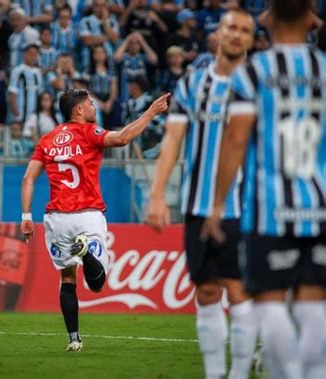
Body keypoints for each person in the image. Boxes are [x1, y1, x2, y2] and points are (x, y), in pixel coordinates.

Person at [202, 1, 326, 378]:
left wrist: (217, 204)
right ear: (311, 19)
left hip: (269, 212)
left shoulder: (253, 73)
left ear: (265, 20)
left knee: (270, 305)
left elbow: (235, 140)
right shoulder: (324, 69)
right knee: (313, 307)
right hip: (319, 209)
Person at [146, 9, 257, 379]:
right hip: (197, 204)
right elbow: (173, 140)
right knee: (207, 292)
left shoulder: (259, 83)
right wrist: (157, 194)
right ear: (219, 34)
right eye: (232, 28)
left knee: (239, 291)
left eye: (245, 30)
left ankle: (239, 375)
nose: (238, 35)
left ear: (251, 39)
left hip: (245, 207)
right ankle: (215, 375)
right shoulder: (193, 84)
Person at [20, 89, 169, 352]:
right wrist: (151, 112)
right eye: (90, 104)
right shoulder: (90, 132)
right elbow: (123, 138)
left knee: (67, 278)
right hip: (87, 215)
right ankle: (87, 252)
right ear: (78, 110)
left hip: (56, 219)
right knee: (96, 283)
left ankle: (74, 339)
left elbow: (27, 178)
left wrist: (25, 216)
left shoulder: (47, 140)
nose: (94, 107)